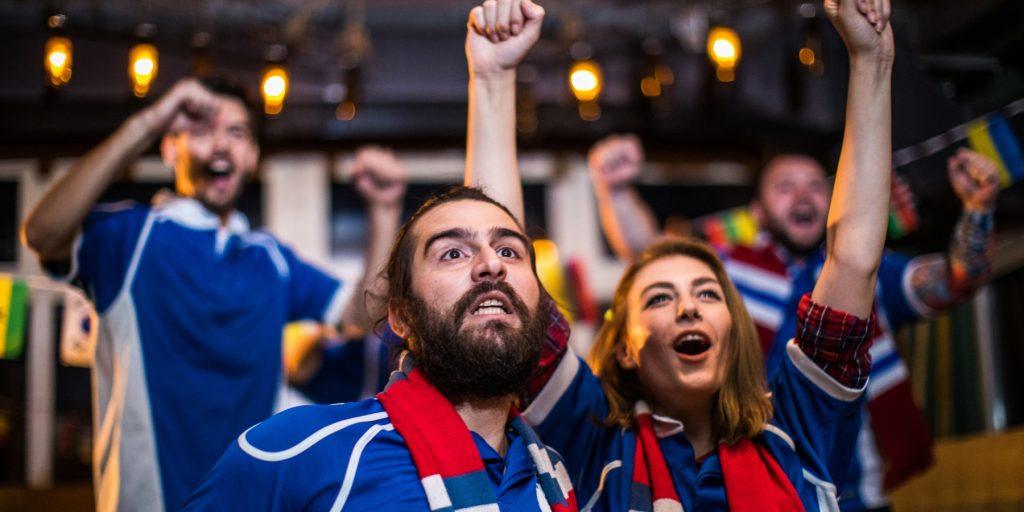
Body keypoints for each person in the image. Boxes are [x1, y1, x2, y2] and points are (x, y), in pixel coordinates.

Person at [471, 0, 897, 508]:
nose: (688, 307)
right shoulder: (589, 440)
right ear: (626, 348)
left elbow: (851, 260)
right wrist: (493, 81)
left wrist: (872, 61)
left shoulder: (797, 429)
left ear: (734, 328)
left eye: (706, 293)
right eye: (658, 299)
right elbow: (499, 272)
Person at [182, 2, 578, 510]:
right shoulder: (304, 454)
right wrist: (491, 80)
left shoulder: (558, 475)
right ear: (401, 316)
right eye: (453, 252)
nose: (491, 264)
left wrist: (497, 78)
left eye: (509, 249)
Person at [587, 37, 999, 512]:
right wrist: (613, 190)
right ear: (759, 211)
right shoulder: (730, 268)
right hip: (753, 475)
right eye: (785, 188)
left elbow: (957, 279)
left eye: (814, 187)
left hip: (858, 492)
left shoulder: (870, 275)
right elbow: (651, 257)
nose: (802, 197)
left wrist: (978, 211)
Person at [21, 78, 404, 511]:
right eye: (201, 131)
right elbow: (41, 233)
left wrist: (385, 208)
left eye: (237, 133)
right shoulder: (129, 239)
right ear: (170, 148)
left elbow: (366, 311)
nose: (221, 145)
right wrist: (148, 121)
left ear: (253, 157)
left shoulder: (269, 259)